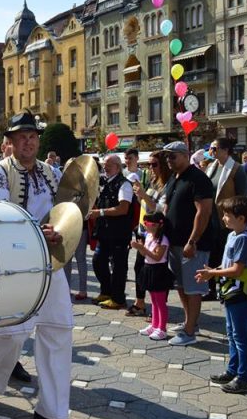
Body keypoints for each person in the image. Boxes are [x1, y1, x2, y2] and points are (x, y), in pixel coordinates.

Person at [0, 111, 73, 419]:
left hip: (50, 263)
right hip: (15, 266)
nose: (28, 141)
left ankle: (52, 412)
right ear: (11, 141)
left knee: (58, 330)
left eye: (32, 136)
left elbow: (64, 212)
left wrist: (61, 229)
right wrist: (37, 230)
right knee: (11, 336)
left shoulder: (52, 173)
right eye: (22, 136)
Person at [196, 196, 247, 394]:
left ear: (241, 218)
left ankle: (245, 378)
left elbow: (237, 270)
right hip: (230, 291)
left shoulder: (243, 238)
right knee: (232, 334)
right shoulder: (233, 235)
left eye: (227, 215)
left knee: (241, 337)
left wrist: (212, 273)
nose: (223, 218)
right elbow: (228, 265)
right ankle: (233, 370)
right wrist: (214, 269)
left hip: (240, 293)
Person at [161, 141, 214, 347]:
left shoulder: (198, 179)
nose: (169, 160)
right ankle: (189, 322)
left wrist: (193, 241)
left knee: (193, 288)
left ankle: (190, 332)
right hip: (174, 241)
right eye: (167, 157)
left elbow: (204, 212)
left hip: (192, 244)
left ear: (185, 155)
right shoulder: (175, 177)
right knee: (181, 286)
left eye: (173, 156)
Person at [127, 151, 172, 317]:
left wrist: (144, 195)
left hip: (157, 233)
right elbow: (146, 205)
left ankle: (159, 307)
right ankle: (140, 302)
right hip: (144, 230)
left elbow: (159, 209)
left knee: (157, 270)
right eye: (149, 165)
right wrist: (140, 195)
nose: (151, 168)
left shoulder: (168, 185)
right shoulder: (153, 181)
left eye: (154, 164)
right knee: (140, 267)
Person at [88, 154, 133, 310]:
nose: (105, 167)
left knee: (119, 266)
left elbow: (123, 208)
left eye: (108, 164)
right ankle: (106, 292)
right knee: (98, 261)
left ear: (118, 166)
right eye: (104, 164)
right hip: (105, 232)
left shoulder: (124, 184)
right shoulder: (105, 182)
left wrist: (99, 212)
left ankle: (118, 298)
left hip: (119, 233)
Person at [205, 138, 247, 300]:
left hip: (228, 220)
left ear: (225, 150)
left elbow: (242, 198)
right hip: (211, 218)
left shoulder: (237, 169)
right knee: (211, 254)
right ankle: (210, 289)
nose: (211, 151)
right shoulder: (211, 167)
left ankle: (228, 288)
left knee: (226, 255)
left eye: (214, 148)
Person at [131, 212, 174, 340]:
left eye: (148, 224)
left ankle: (162, 328)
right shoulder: (149, 236)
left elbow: (157, 256)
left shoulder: (163, 240)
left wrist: (142, 248)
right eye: (145, 223)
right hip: (149, 269)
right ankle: (154, 325)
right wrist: (140, 248)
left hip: (159, 271)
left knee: (160, 302)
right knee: (153, 301)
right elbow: (146, 255)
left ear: (157, 225)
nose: (146, 226)